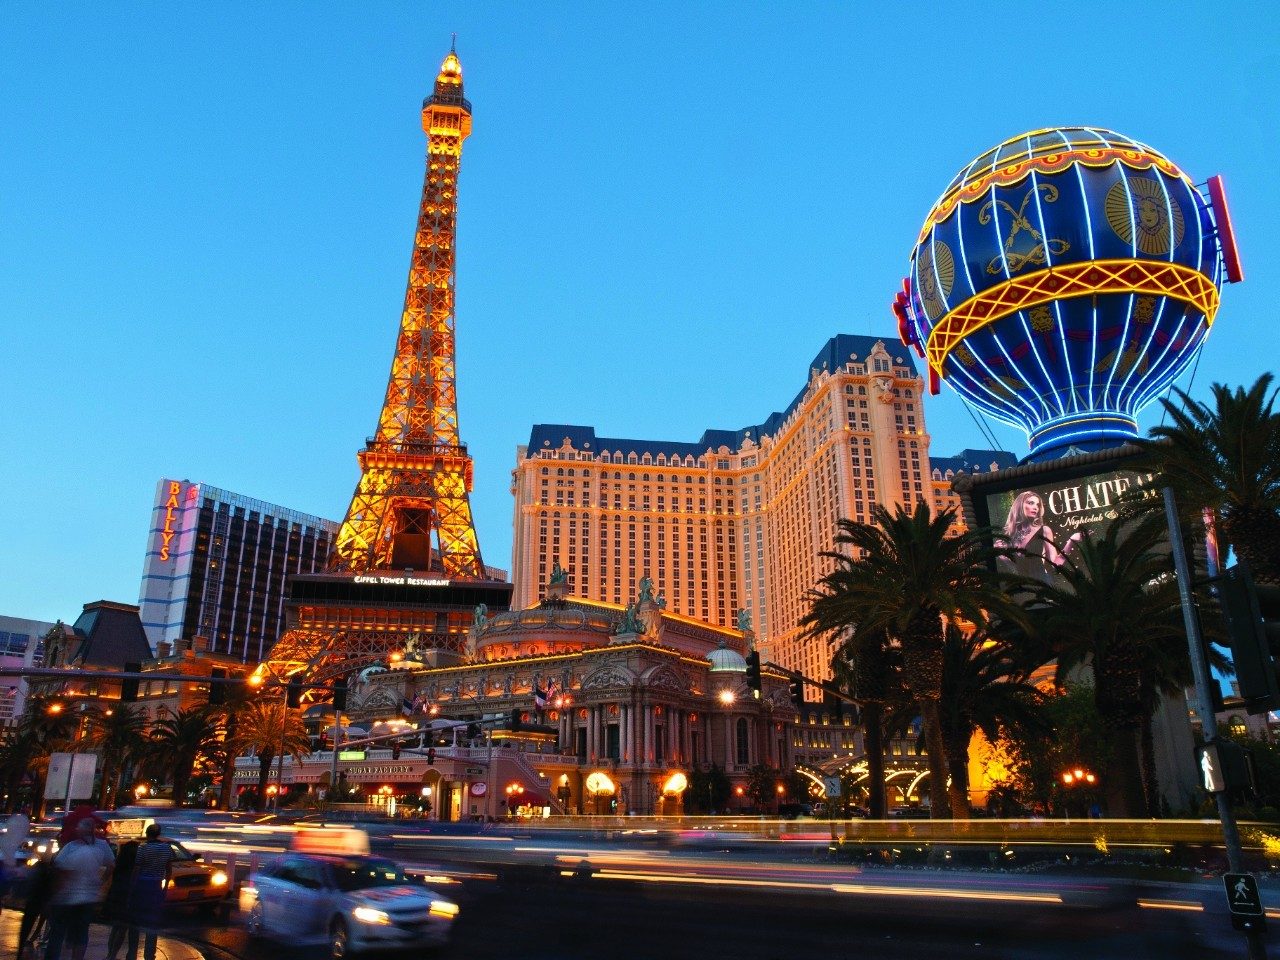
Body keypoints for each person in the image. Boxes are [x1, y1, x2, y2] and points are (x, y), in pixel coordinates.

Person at [43, 817, 114, 960]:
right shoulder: (101, 847)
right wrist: (100, 882)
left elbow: (60, 870)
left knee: (58, 932)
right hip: (88, 898)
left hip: (68, 897)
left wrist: (53, 895)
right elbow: (111, 865)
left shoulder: (72, 847)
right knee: (81, 932)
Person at [997, 490, 1082, 581]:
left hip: (1043, 583)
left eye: (1038, 505)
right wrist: (1003, 557)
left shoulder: (1044, 530)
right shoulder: (1009, 536)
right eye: (1031, 503)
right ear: (1019, 506)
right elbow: (1016, 569)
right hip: (1022, 587)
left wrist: (1071, 541)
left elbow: (1055, 564)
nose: (1035, 507)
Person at [125, 825, 175, 960]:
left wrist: (132, 887)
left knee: (135, 921)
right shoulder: (166, 848)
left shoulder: (143, 848)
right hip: (156, 885)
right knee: (152, 921)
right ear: (159, 834)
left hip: (142, 884)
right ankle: (149, 953)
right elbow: (169, 869)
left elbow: (137, 868)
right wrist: (164, 888)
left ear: (147, 834)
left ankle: (132, 952)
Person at [104, 840, 140, 960]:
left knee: (116, 927)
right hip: (127, 898)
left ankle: (110, 954)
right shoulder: (134, 869)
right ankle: (113, 954)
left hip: (116, 896)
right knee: (122, 928)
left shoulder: (119, 864)